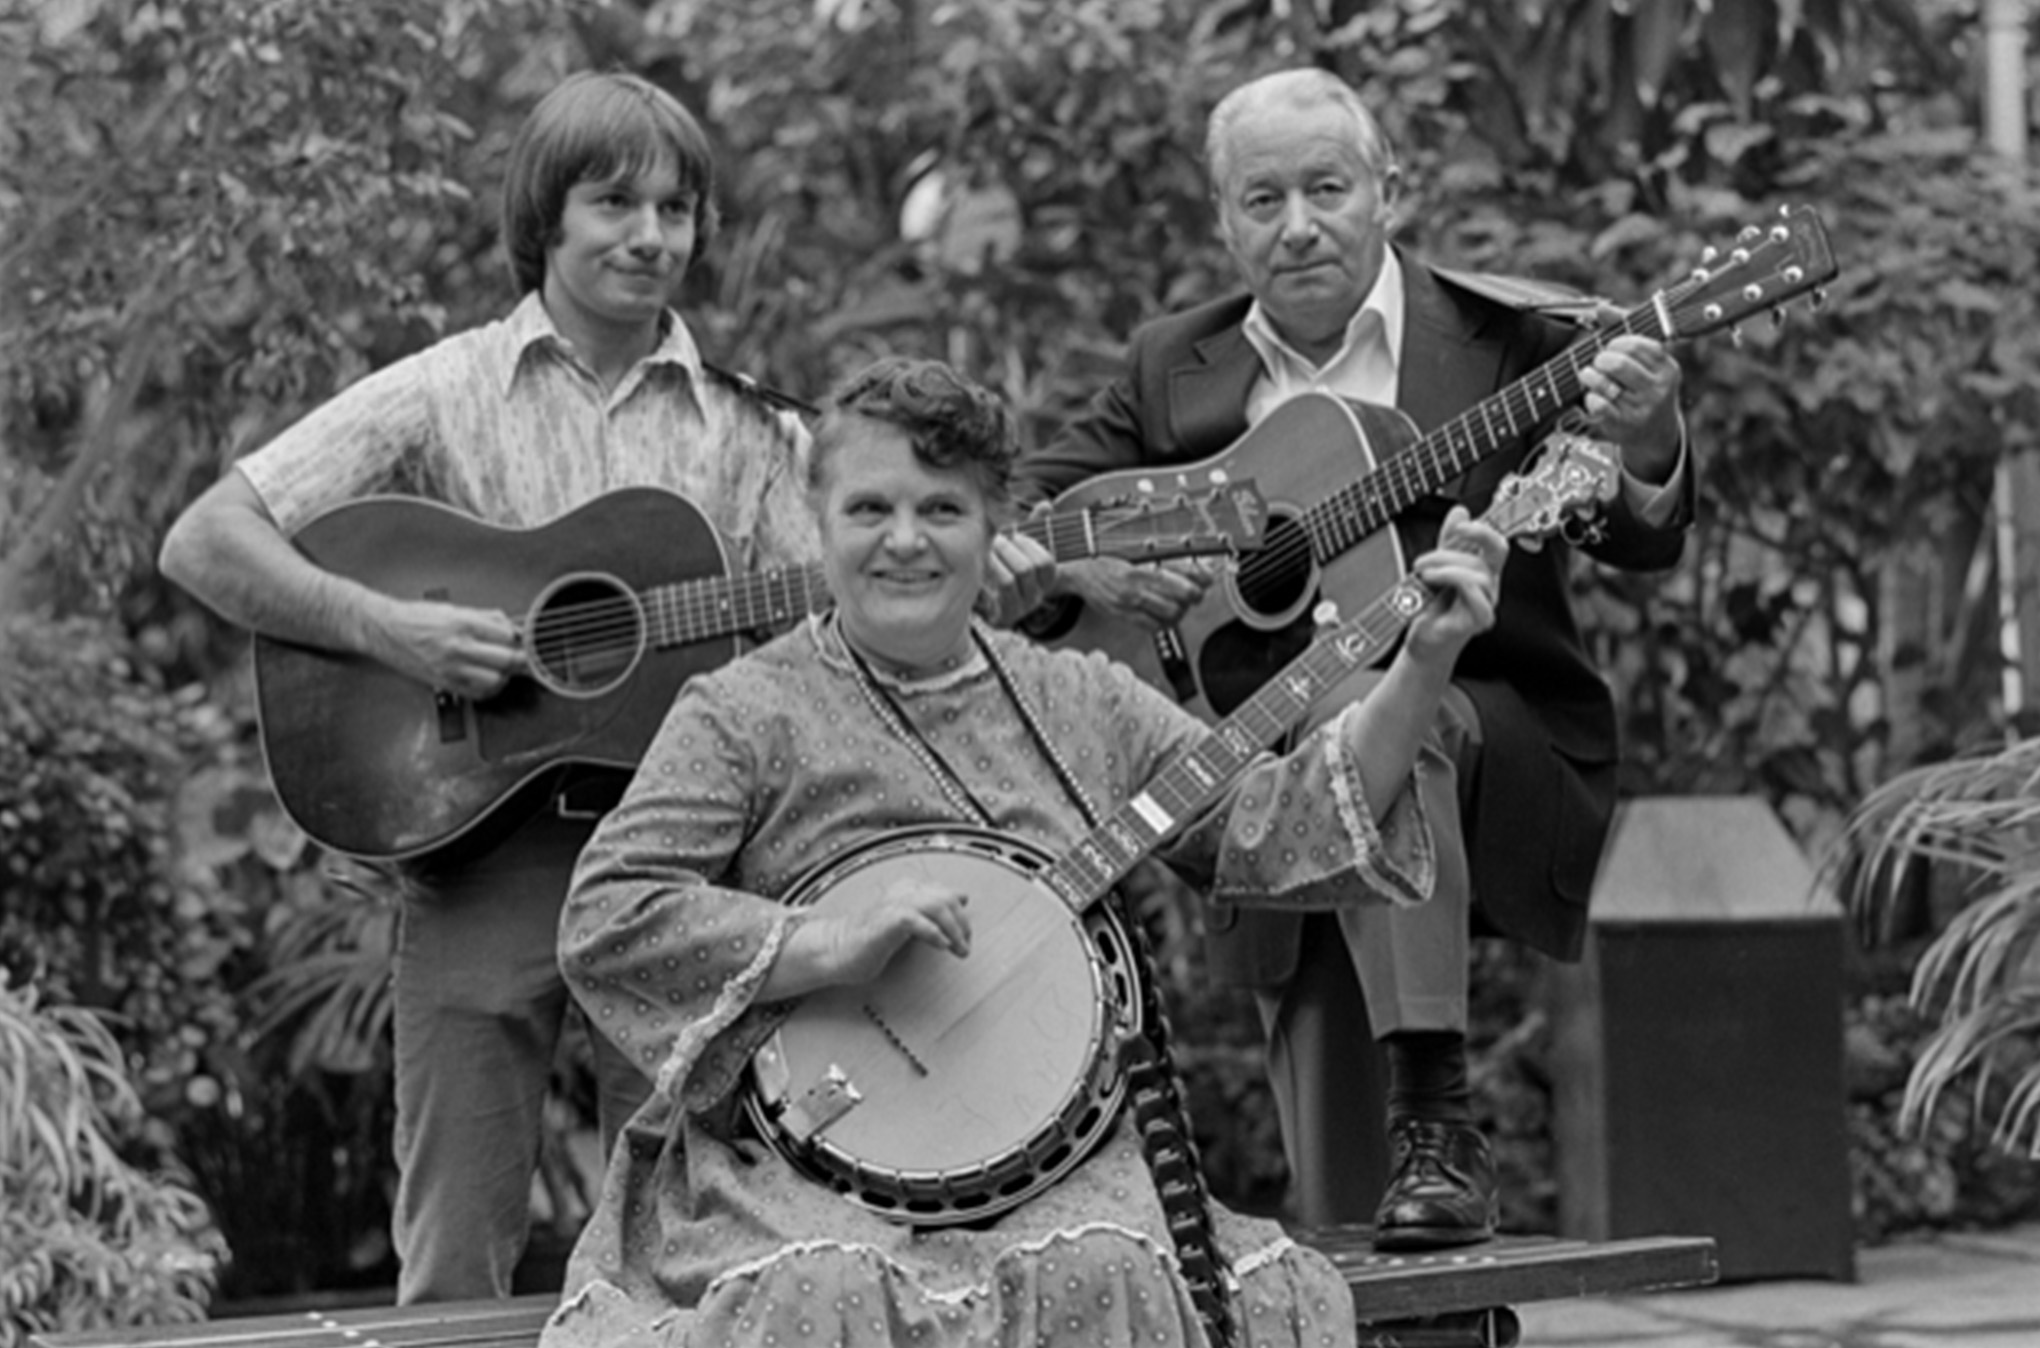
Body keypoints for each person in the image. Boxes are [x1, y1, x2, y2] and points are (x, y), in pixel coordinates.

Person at [540, 356, 1507, 1348]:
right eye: (869, 507)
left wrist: (1423, 663)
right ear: (814, 520)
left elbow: (1279, 823)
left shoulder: (1077, 700)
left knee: (1105, 1270)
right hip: (799, 1175)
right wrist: (827, 941)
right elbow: (609, 913)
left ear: (996, 527)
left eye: (942, 510)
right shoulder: (744, 711)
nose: (904, 541)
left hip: (1064, 1173)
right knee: (822, 1291)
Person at [156, 71, 819, 1303]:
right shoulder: (442, 387)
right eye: (614, 203)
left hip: (678, 864)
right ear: (545, 218)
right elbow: (208, 538)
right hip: (479, 855)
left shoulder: (752, 431)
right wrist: (389, 627)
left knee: (685, 1247)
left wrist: (954, 571)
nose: (649, 236)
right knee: (454, 1247)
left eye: (675, 210)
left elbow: (824, 630)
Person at [1011, 67, 1695, 1248]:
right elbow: (1021, 506)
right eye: (1261, 199)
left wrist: (1648, 439)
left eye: (1325, 187)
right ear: (1224, 220)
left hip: (1480, 727)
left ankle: (1438, 1116)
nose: (1297, 225)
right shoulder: (1171, 367)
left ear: (1387, 188)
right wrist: (1086, 571)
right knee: (1348, 1219)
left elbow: (1632, 531)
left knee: (1397, 710)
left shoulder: (1505, 343)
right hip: (1254, 766)